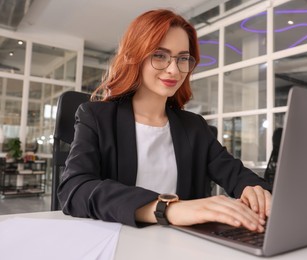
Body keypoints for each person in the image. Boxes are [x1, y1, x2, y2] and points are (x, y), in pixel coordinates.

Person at [58, 9, 272, 232]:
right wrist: (168, 209)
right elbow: (75, 189)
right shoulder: (96, 117)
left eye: (182, 59)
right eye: (160, 55)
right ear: (135, 56)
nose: (174, 70)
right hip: (117, 243)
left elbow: (235, 174)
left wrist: (254, 190)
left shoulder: (194, 126)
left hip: (179, 247)